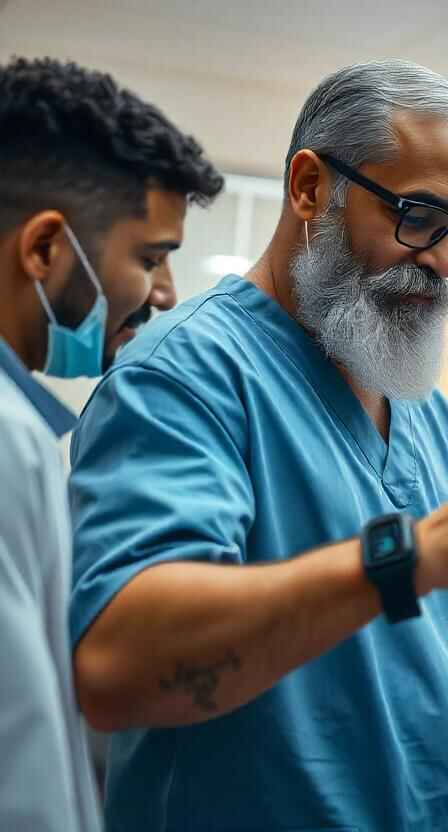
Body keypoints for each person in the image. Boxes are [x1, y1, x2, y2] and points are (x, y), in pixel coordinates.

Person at [67, 60, 448, 831]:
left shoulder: (430, 416)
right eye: (418, 215)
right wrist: (406, 558)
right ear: (310, 187)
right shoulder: (184, 380)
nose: (443, 260)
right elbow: (120, 668)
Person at [0, 56, 223, 831]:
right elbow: (21, 768)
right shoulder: (7, 442)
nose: (164, 294)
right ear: (44, 250)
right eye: (151, 257)